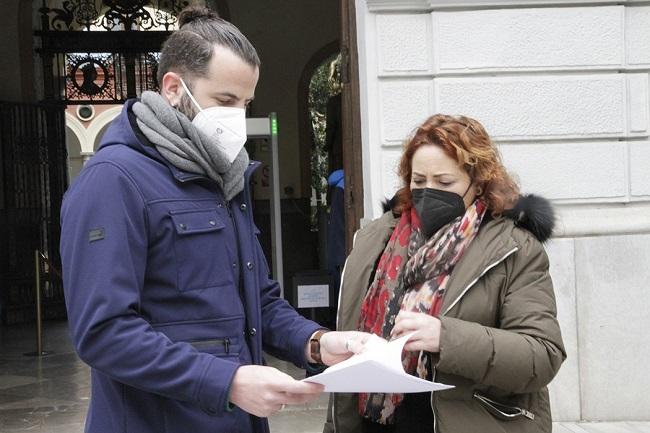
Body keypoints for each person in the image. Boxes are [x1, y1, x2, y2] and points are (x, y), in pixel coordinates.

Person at [59, 7, 368, 433]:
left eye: (245, 103)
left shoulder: (225, 176)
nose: (236, 117)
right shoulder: (113, 181)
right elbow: (104, 332)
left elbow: (258, 301)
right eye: (224, 101)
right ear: (173, 88)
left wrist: (317, 343)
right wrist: (229, 382)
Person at [324, 114, 566, 433]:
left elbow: (542, 354)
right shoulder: (375, 240)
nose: (428, 192)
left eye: (444, 182)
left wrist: (447, 338)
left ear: (478, 182)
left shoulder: (514, 249)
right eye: (419, 181)